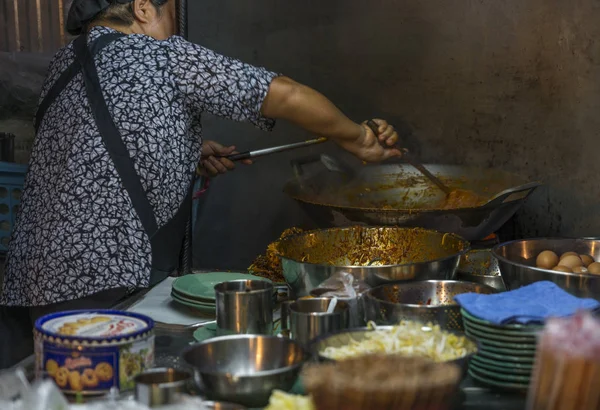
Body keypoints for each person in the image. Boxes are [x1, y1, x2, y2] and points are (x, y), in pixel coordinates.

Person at [0, 0, 402, 369]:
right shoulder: (158, 54)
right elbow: (284, 94)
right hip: (105, 274)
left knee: (71, 385)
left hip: (36, 277)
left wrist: (186, 149)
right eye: (171, 12)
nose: (176, 28)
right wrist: (358, 138)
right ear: (143, 8)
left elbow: (96, 148)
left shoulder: (63, 65)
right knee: (111, 386)